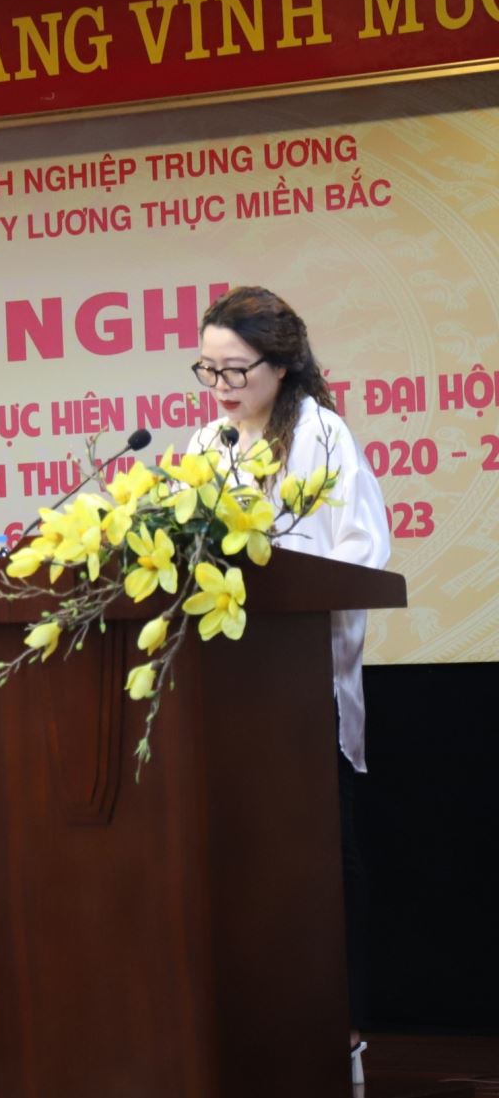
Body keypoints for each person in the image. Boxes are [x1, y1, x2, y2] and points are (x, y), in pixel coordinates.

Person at [185, 285, 390, 1055]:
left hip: (304, 687)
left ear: (280, 364)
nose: (221, 386)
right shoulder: (209, 445)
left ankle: (341, 1029)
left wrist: (278, 576)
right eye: (208, 369)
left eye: (235, 369)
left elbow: (363, 552)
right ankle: (255, 1024)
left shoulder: (322, 435)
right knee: (243, 862)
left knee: (321, 861)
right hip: (226, 691)